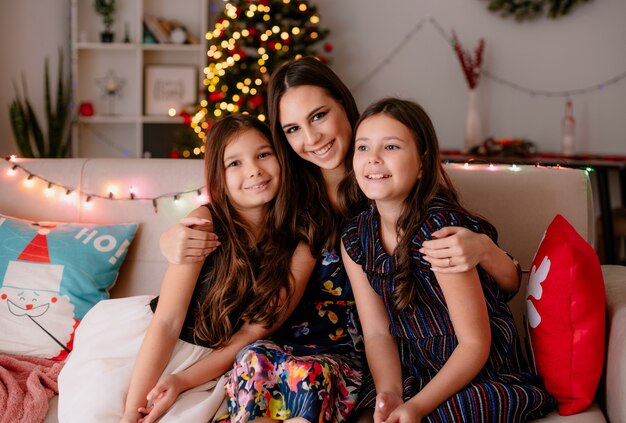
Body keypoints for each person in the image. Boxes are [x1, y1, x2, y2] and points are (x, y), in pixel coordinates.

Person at [159, 57, 522, 422]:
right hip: (289, 352)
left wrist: (485, 249)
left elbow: (500, 287)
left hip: (369, 360)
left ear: (344, 106)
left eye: (318, 116)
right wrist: (177, 235)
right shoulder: (285, 192)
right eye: (292, 129)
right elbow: (231, 214)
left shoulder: (387, 181)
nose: (311, 138)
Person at [57, 114, 315, 423]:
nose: (254, 170)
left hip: (214, 361)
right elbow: (167, 321)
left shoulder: (302, 243)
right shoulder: (205, 222)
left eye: (263, 154)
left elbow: (252, 332)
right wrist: (131, 411)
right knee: (101, 409)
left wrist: (181, 382)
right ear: (218, 177)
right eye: (234, 163)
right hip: (152, 343)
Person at [340, 98, 555, 422]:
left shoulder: (439, 234)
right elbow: (377, 334)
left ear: (423, 164)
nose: (374, 159)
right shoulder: (355, 238)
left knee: (440, 416)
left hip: (477, 369)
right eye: (363, 147)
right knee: (369, 413)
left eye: (392, 147)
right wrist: (391, 393)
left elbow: (474, 344)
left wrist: (416, 407)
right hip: (412, 366)